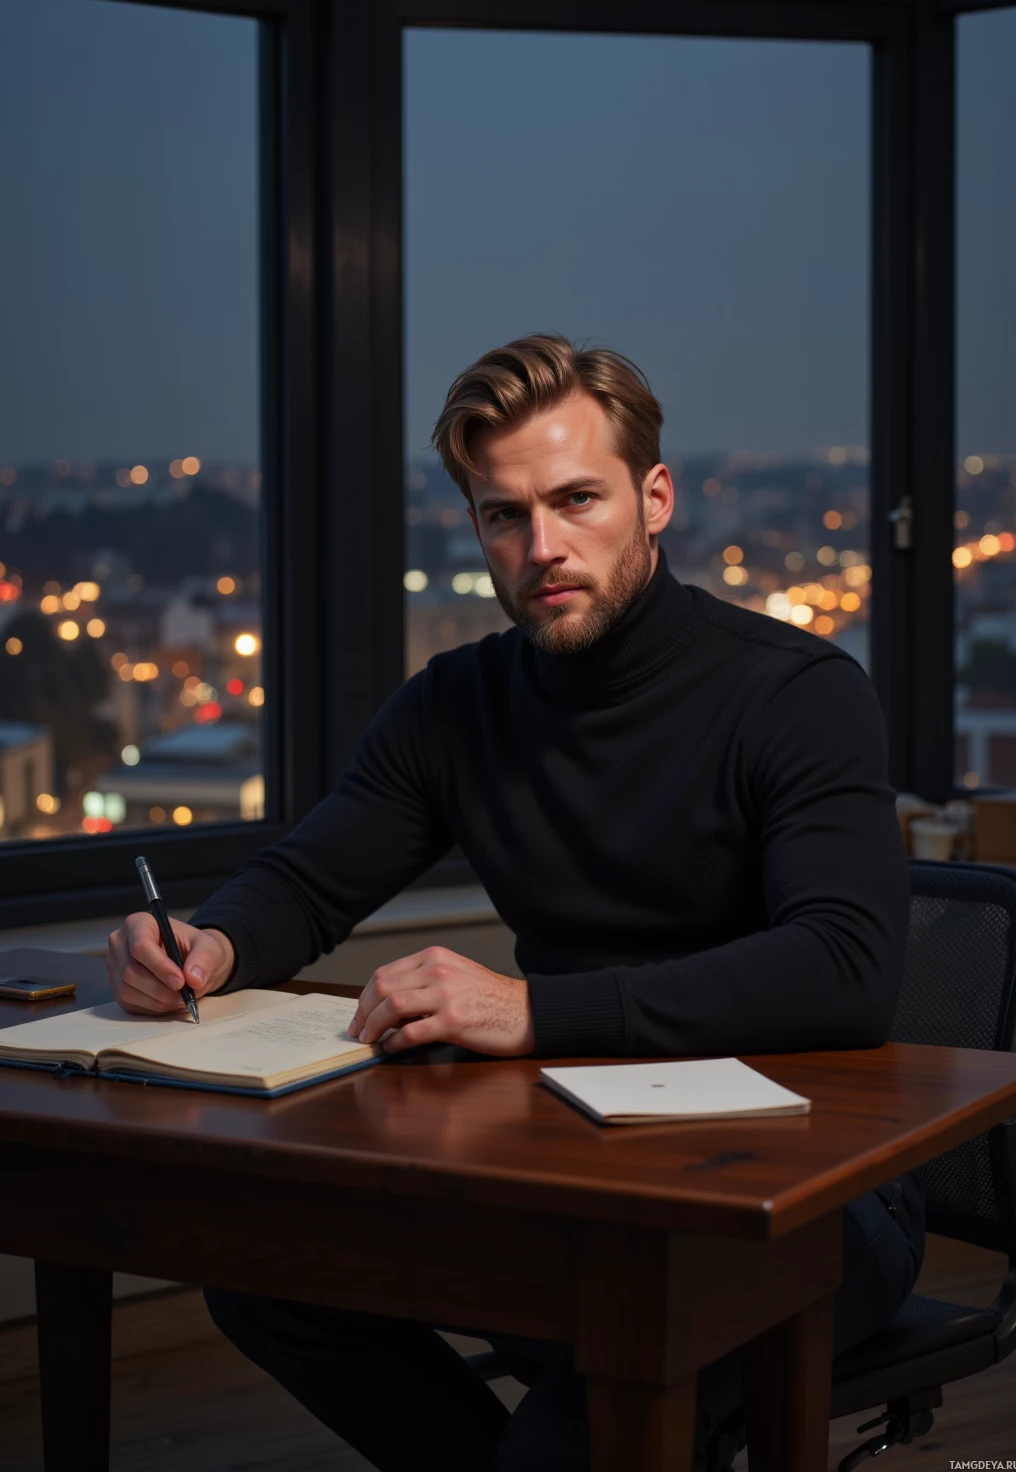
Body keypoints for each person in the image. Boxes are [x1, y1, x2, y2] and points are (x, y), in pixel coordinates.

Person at [107, 334, 926, 1471]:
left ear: (654, 500)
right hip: (567, 1171)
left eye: (576, 499)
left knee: (565, 1441)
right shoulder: (456, 706)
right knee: (263, 1278)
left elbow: (843, 970)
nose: (541, 547)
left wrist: (532, 1012)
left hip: (809, 1188)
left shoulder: (798, 694)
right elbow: (304, 881)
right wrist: (207, 943)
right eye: (503, 515)